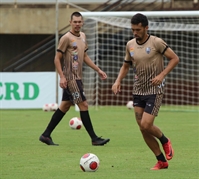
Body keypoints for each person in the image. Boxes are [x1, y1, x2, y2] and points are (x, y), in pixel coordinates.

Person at [112, 13, 179, 170]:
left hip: (154, 90)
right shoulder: (130, 45)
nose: (135, 33)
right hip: (138, 90)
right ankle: (161, 160)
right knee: (142, 128)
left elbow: (174, 58)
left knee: (147, 124)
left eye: (138, 29)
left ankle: (165, 140)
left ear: (146, 28)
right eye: (133, 29)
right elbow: (126, 65)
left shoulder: (157, 42)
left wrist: (162, 75)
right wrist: (118, 80)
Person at [39, 11, 110, 146]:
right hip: (71, 78)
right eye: (75, 22)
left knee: (65, 106)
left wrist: (98, 70)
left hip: (78, 77)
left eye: (79, 22)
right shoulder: (66, 38)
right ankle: (94, 138)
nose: (77, 24)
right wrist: (62, 76)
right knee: (83, 104)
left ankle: (45, 135)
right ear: (70, 22)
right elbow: (57, 58)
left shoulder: (83, 36)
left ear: (82, 22)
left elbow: (85, 56)